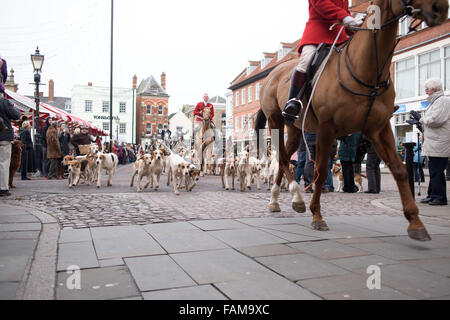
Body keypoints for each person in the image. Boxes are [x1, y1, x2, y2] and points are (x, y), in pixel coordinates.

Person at [282, 0, 362, 125]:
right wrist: (345, 17)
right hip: (317, 33)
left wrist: (354, 26)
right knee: (305, 61)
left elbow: (344, 13)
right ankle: (292, 102)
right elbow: (320, 4)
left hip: (339, 35)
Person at [419, 78, 450, 206]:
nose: (426, 91)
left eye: (428, 89)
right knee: (433, 170)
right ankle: (432, 194)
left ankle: (440, 197)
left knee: (436, 170)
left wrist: (422, 119)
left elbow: (436, 120)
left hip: (439, 142)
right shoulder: (436, 101)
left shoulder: (443, 101)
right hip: (435, 142)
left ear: (434, 89)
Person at [0, 92, 21, 196]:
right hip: (3, 135)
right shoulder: (4, 102)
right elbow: (16, 115)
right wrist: (14, 107)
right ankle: (3, 188)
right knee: (4, 162)